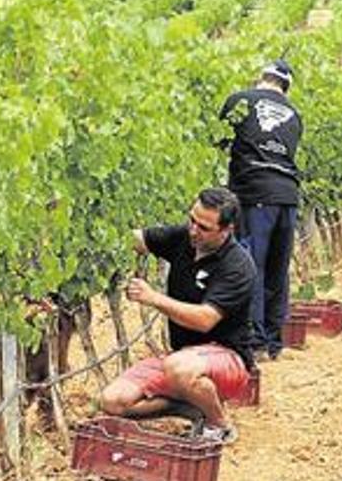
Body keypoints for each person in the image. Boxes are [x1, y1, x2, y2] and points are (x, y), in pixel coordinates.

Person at [100, 187, 256, 444]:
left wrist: (153, 298)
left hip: (228, 359)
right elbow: (136, 239)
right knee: (112, 401)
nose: (194, 230)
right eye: (191, 219)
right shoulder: (184, 238)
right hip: (182, 359)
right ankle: (195, 408)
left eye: (204, 227)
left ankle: (220, 425)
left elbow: (205, 319)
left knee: (179, 367)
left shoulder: (237, 265)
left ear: (227, 230)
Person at [218, 59, 304, 360]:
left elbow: (218, 141)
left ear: (261, 78)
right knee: (278, 269)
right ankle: (273, 341)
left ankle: (253, 340)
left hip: (254, 192)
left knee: (251, 264)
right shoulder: (295, 114)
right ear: (286, 87)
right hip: (288, 196)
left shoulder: (240, 100)